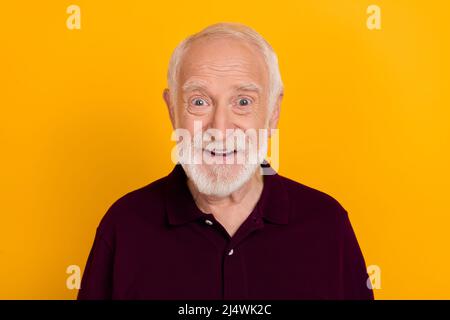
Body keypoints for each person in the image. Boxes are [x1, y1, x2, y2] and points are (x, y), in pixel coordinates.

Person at [77, 22, 374, 300]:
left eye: (243, 102)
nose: (219, 130)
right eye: (199, 102)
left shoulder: (326, 225)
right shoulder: (124, 226)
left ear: (273, 112)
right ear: (172, 111)